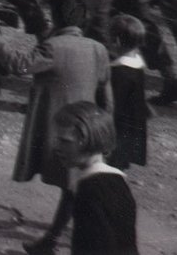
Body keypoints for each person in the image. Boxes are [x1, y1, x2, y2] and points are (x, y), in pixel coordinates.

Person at [0, 0, 112, 255]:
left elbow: (19, 65)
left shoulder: (53, 47)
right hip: (90, 128)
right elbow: (106, 93)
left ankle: (56, 241)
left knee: (74, 188)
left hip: (64, 129)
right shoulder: (98, 49)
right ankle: (54, 238)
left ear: (54, 17)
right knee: (75, 186)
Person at [52, 102, 139, 255]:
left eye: (65, 141)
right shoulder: (115, 180)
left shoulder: (90, 190)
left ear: (87, 139)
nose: (56, 147)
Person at [107, 15, 149, 172]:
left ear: (116, 41)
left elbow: (112, 105)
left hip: (116, 131)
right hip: (131, 129)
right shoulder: (137, 65)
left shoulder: (118, 72)